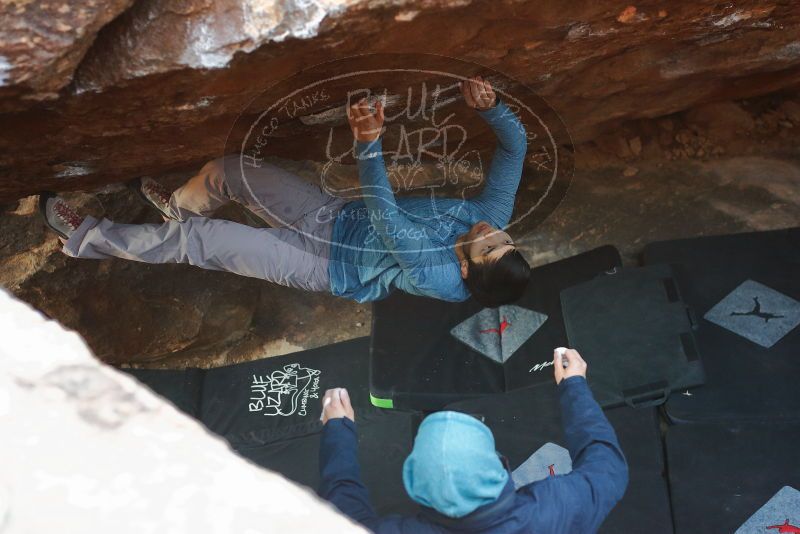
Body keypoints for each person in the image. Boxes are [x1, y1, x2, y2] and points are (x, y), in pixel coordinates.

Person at [39, 77, 530, 306]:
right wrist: (491, 108)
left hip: (322, 266)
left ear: (467, 267)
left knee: (203, 243)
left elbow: (389, 218)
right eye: (504, 238)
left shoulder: (440, 276)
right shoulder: (489, 219)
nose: (490, 230)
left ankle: (85, 237)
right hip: (337, 217)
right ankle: (176, 208)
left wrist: (367, 144)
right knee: (230, 171)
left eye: (488, 245)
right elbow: (515, 150)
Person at [318, 349, 628, 533]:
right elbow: (607, 463)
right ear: (497, 463)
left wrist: (338, 431)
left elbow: (341, 504)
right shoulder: (557, 505)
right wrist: (573, 386)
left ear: (414, 483)